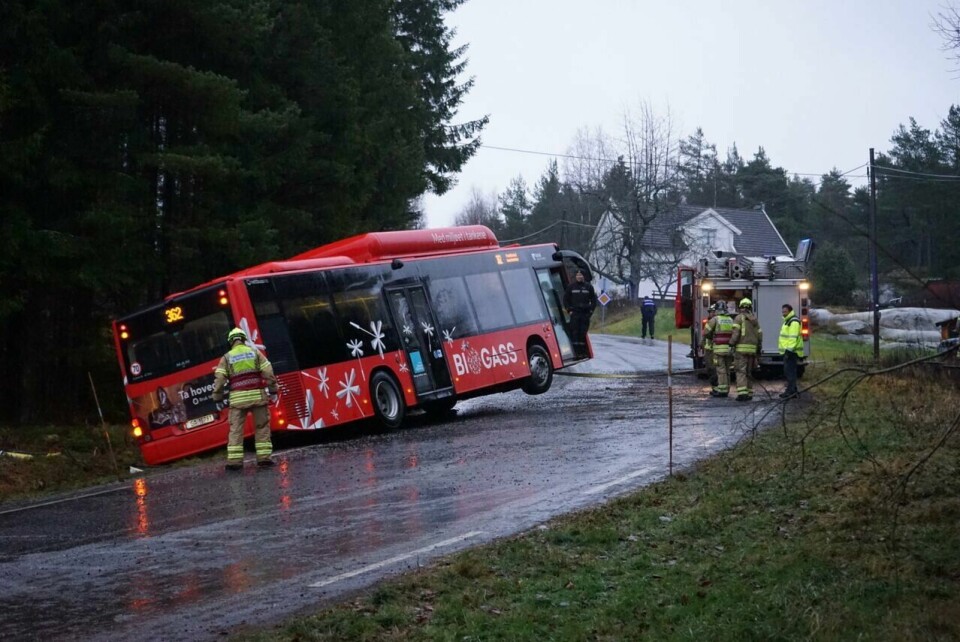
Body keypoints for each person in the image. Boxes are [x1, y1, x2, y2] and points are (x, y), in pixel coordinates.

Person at [212, 327, 279, 470]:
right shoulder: (255, 353)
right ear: (243, 339)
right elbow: (268, 372)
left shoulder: (226, 357)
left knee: (236, 430)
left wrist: (217, 398)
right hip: (258, 397)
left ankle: (234, 463)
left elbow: (219, 380)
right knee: (261, 427)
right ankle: (264, 459)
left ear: (231, 341)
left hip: (237, 400)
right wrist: (273, 390)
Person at [729, 297, 762, 402]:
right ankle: (749, 392)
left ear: (741, 307)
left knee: (740, 371)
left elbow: (736, 333)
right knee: (749, 372)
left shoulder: (739, 318)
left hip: (741, 350)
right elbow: (760, 335)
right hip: (752, 350)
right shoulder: (755, 320)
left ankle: (742, 394)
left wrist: (731, 343)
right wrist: (758, 348)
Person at [563, 269, 597, 357]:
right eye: (577, 275)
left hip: (585, 314)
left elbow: (593, 300)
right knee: (575, 332)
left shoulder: (589, 287)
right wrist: (569, 310)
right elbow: (565, 300)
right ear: (576, 277)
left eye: (581, 275)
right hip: (575, 314)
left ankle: (582, 352)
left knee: (582, 333)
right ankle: (576, 352)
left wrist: (590, 312)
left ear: (583, 276)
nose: (579, 277)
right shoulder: (571, 287)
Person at [705, 301, 735, 397]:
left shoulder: (715, 319)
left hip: (718, 349)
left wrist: (712, 337)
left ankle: (722, 390)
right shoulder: (731, 320)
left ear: (717, 309)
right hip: (729, 350)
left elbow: (706, 332)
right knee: (727, 370)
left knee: (720, 370)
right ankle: (727, 389)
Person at [778, 303, 803, 399]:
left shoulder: (793, 322)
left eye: (785, 311)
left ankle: (790, 392)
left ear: (790, 311)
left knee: (789, 372)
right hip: (789, 351)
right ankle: (793, 390)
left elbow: (793, 338)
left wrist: (788, 351)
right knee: (789, 372)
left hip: (791, 352)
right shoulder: (788, 321)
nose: (783, 313)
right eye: (782, 311)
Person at [701, 303, 718, 386]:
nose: (712, 313)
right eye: (711, 312)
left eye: (713, 312)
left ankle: (717, 385)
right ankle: (714, 385)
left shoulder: (716, 322)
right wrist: (702, 343)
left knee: (714, 368)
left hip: (716, 349)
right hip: (708, 349)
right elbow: (705, 335)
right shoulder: (709, 322)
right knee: (709, 368)